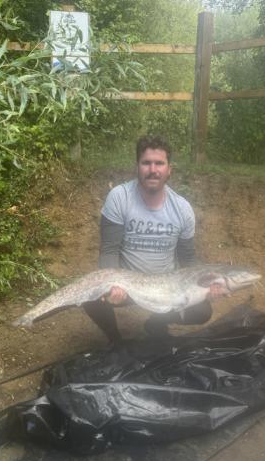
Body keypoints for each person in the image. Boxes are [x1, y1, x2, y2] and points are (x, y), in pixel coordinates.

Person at [83, 135, 224, 343]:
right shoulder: (119, 197)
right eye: (146, 163)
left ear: (169, 169)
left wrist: (205, 285)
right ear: (137, 166)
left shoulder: (183, 209)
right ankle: (115, 340)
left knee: (202, 311)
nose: (153, 169)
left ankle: (156, 324)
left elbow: (188, 258)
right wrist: (112, 284)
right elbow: (109, 250)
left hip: (168, 287)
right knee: (89, 294)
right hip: (127, 285)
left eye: (159, 163)